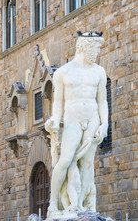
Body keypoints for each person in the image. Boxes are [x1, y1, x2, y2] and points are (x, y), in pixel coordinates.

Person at [45, 31, 108, 217]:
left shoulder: (99, 71)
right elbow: (58, 103)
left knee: (87, 163)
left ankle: (80, 205)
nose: (97, 52)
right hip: (72, 118)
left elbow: (102, 101)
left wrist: (104, 124)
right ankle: (53, 204)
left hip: (93, 118)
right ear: (85, 46)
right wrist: (55, 121)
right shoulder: (63, 72)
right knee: (65, 160)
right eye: (96, 48)